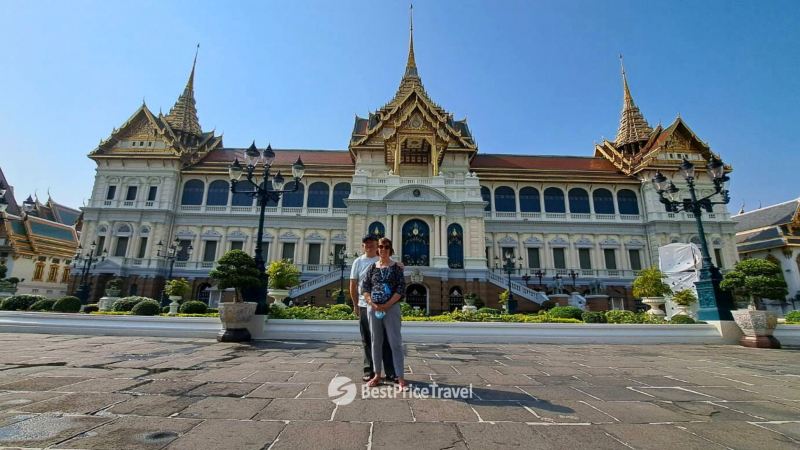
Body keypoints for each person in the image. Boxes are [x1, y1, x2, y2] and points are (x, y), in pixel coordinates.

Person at [350, 234, 397, 383]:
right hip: (365, 305)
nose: (369, 245)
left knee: (387, 339)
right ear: (362, 246)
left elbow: (395, 270)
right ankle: (369, 371)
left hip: (384, 305)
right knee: (368, 339)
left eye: (372, 243)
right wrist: (355, 305)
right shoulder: (358, 262)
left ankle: (391, 372)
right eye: (366, 243)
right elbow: (353, 284)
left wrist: (400, 265)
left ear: (377, 245)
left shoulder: (382, 259)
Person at [361, 237, 408, 390]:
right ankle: (376, 375)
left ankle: (400, 378)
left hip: (391, 308)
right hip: (373, 309)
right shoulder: (372, 267)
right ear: (377, 249)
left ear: (390, 249)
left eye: (386, 247)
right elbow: (365, 287)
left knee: (395, 343)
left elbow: (400, 289)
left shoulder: (396, 268)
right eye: (381, 246)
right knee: (376, 342)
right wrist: (372, 303)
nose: (383, 249)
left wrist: (387, 304)